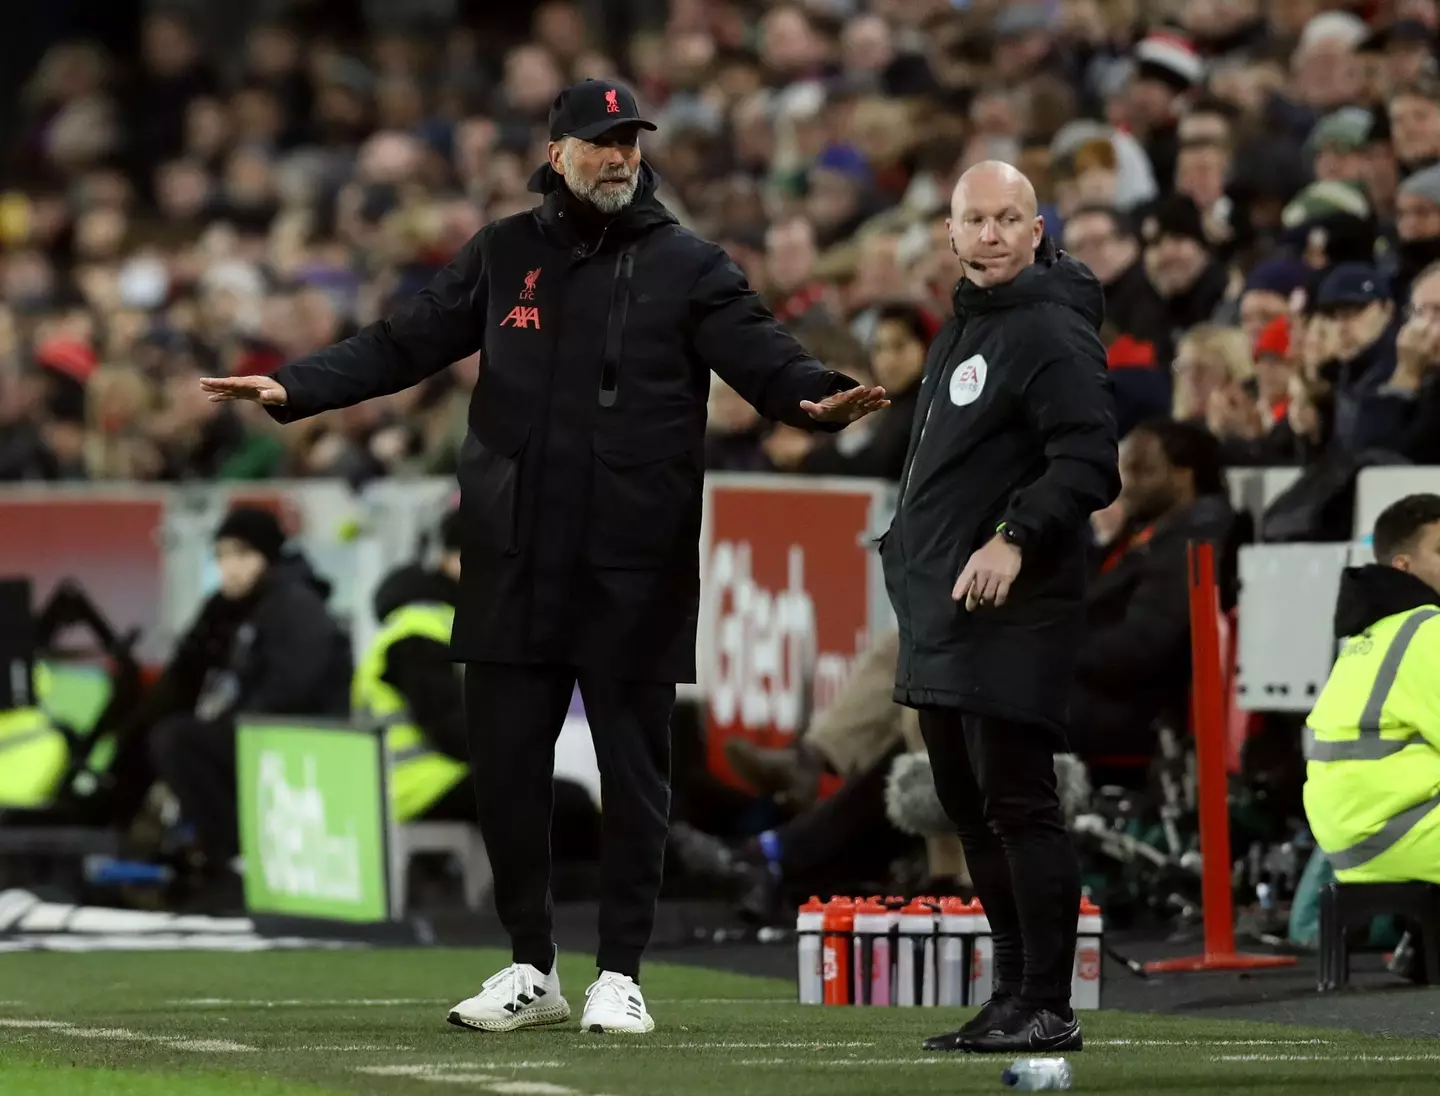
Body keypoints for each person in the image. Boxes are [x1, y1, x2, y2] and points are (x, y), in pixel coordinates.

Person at [199, 79, 886, 1035]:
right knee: (507, 765)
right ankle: (532, 966)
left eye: (630, 142)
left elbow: (763, 353)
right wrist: (295, 386)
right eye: (601, 142)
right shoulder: (502, 252)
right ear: (556, 150)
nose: (619, 157)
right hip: (512, 550)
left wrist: (814, 397)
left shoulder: (688, 264)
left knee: (635, 769)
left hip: (632, 557)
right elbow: (405, 344)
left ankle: (622, 974)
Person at [880, 161, 1119, 1054]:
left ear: (1036, 229)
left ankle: (1047, 1002)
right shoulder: (969, 324)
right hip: (946, 605)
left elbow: (1091, 461)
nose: (989, 234)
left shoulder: (1051, 330)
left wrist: (1014, 536)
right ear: (949, 232)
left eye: (1007, 219)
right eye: (974, 219)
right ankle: (1012, 992)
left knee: (1018, 802)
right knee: (969, 808)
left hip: (1015, 606)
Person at [144, 507, 352, 901]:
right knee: (181, 735)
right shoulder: (251, 607)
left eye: (242, 555)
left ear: (268, 556)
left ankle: (234, 853)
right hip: (272, 732)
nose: (230, 568)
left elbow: (294, 686)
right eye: (221, 557)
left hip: (305, 739)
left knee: (177, 741)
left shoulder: (293, 605)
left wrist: (236, 722)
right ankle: (220, 851)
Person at [1304, 494, 1440, 887]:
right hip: (1403, 829)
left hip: (1355, 835)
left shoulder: (1374, 630)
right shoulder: (1427, 628)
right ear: (1404, 566)